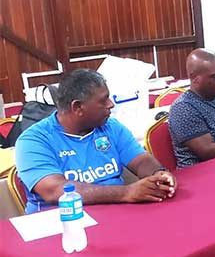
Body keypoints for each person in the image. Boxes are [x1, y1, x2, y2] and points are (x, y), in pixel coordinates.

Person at [15, 69, 177, 214]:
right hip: (61, 221)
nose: (111, 104)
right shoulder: (34, 140)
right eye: (103, 100)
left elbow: (141, 160)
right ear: (78, 107)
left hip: (117, 213)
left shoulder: (110, 126)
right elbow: (54, 190)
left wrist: (158, 174)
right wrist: (126, 193)